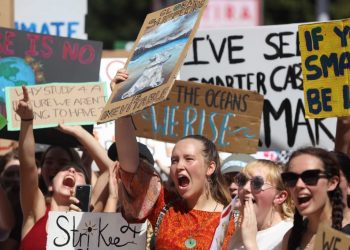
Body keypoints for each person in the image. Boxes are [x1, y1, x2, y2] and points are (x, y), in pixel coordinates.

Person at [112, 69, 234, 249]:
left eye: (189, 159)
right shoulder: (163, 207)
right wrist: (121, 109)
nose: (179, 166)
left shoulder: (232, 220)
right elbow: (130, 167)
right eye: (175, 160)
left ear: (210, 167)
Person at [15, 86, 89, 250]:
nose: (70, 171)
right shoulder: (37, 213)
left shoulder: (94, 227)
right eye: (64, 169)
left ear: (86, 187)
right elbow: (28, 167)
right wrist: (27, 121)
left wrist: (81, 133)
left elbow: (111, 170)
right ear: (50, 183)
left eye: (77, 171)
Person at [281, 147, 346, 250]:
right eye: (291, 178)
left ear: (332, 183)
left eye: (310, 177)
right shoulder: (291, 237)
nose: (299, 185)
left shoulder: (345, 235)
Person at [228, 159, 293, 250]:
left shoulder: (288, 235)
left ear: (279, 197)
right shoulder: (239, 231)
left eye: (257, 183)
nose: (245, 188)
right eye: (242, 180)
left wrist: (250, 244)